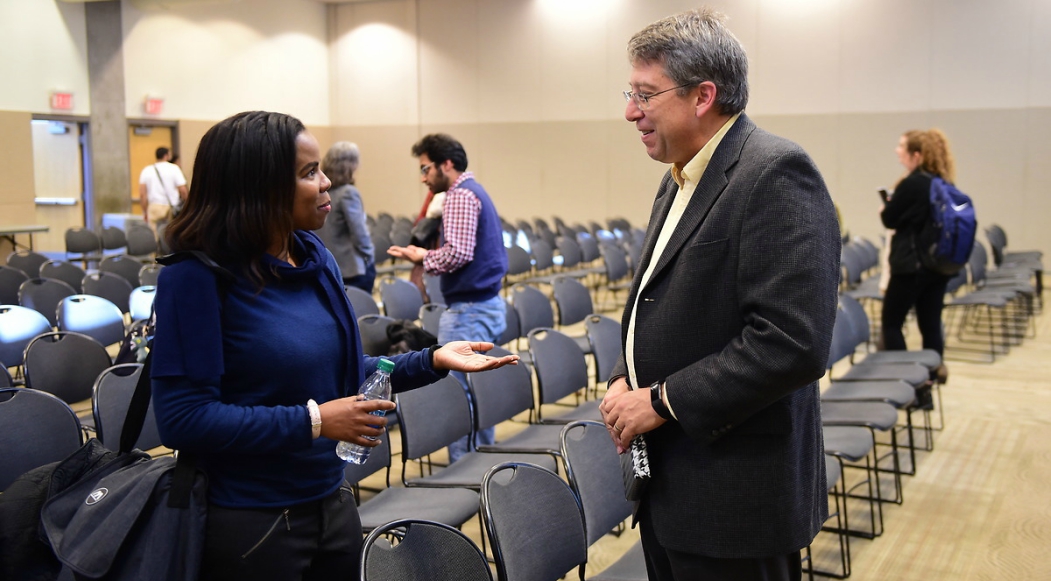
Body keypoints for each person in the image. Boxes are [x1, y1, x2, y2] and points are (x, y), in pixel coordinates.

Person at [150, 111, 518, 580]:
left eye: (321, 168)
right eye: (308, 173)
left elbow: (340, 370)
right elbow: (184, 420)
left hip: (330, 499)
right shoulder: (195, 277)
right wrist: (317, 421)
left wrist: (428, 360)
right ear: (257, 187)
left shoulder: (312, 257)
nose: (326, 182)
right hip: (253, 520)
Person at [597, 9, 841, 581]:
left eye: (645, 94)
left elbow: (792, 342)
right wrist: (622, 374)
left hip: (734, 497)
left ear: (703, 95)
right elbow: (652, 299)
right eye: (630, 92)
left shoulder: (775, 172)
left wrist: (658, 401)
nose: (630, 110)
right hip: (671, 486)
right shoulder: (680, 173)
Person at [388, 133, 509, 463]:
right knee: (478, 390)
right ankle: (481, 462)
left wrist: (421, 258)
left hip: (469, 310)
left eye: (426, 168)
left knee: (459, 393)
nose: (423, 177)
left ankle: (464, 468)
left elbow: (457, 254)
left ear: (447, 164)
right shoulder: (476, 190)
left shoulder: (458, 196)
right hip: (485, 305)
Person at [880, 129, 957, 358]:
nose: (897, 151)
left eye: (902, 147)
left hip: (910, 267)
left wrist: (886, 207)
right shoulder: (942, 183)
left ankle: (902, 378)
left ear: (917, 155)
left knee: (891, 323)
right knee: (931, 323)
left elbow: (889, 219)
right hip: (937, 265)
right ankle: (931, 379)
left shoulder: (912, 183)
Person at [315, 141, 376, 293]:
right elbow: (359, 233)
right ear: (349, 165)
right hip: (352, 269)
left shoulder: (321, 192)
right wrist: (369, 257)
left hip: (329, 267)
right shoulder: (348, 193)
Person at [139, 146, 187, 232]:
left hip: (154, 206)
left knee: (154, 234)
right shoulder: (174, 168)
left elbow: (142, 194)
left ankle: (156, 244)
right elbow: (183, 190)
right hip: (171, 206)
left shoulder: (147, 170)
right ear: (166, 155)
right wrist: (188, 205)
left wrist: (145, 211)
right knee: (171, 232)